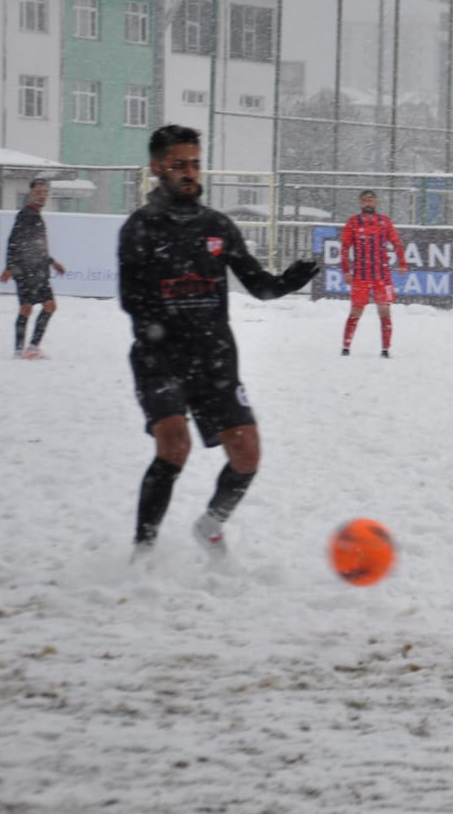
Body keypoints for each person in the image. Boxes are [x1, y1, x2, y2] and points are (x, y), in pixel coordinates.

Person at [119, 125, 319, 559]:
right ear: (157, 168)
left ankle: (210, 525)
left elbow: (259, 286)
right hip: (160, 358)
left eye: (195, 163)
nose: (190, 172)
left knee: (247, 454)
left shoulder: (218, 226)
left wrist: (289, 281)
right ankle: (143, 549)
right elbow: (130, 301)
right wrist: (171, 323)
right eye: (179, 164)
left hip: (214, 360)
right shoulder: (140, 228)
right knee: (176, 445)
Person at [0, 178, 67, 359]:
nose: (42, 196)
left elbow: (37, 246)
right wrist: (9, 267)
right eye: (38, 192)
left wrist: (52, 262)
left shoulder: (34, 215)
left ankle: (25, 349)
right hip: (29, 270)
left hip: (35, 269)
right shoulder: (26, 215)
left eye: (44, 193)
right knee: (38, 307)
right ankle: (27, 348)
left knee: (36, 307)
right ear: (31, 194)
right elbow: (14, 242)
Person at [339, 189, 408, 358]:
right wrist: (346, 271)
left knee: (384, 310)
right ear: (360, 203)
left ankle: (385, 349)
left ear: (376, 203)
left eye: (370, 200)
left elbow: (397, 243)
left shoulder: (384, 222)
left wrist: (402, 262)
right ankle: (346, 347)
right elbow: (345, 248)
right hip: (360, 275)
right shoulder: (353, 222)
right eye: (364, 200)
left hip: (381, 275)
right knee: (356, 311)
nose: (367, 203)